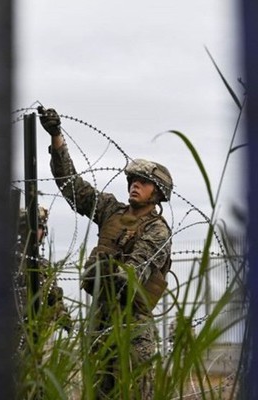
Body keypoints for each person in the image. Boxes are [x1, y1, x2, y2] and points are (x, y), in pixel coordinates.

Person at [38, 106, 173, 399]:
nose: (134, 185)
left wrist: (103, 268)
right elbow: (72, 186)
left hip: (133, 328)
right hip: (100, 321)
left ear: (158, 192)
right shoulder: (112, 211)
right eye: (132, 181)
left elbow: (133, 273)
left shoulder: (158, 230)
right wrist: (57, 137)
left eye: (143, 182)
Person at [13, 206, 71, 355]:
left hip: (40, 337)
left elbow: (54, 297)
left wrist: (63, 316)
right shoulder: (12, 261)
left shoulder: (44, 265)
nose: (39, 232)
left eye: (41, 228)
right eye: (35, 227)